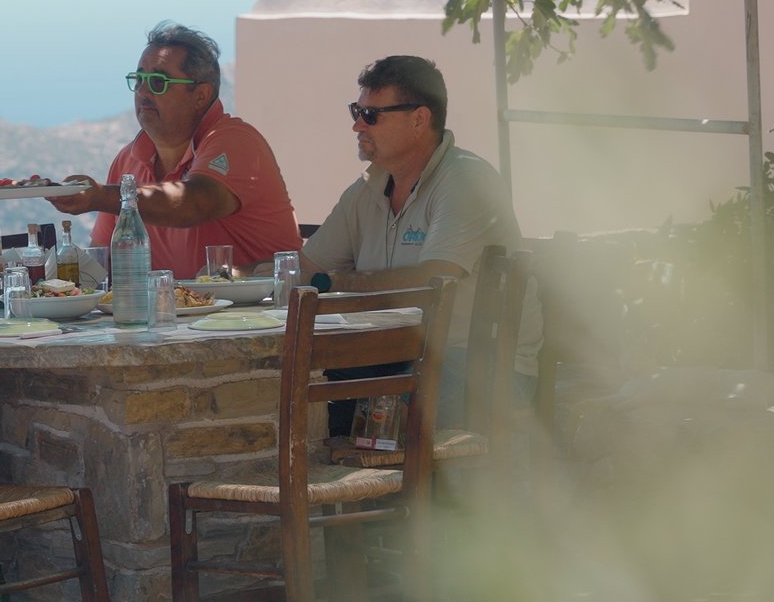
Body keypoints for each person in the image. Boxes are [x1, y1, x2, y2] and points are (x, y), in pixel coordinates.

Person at [301, 55, 541, 435]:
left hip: (475, 365)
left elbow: (432, 282)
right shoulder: (368, 188)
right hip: (396, 355)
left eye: (371, 115)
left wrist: (340, 283)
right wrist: (235, 285)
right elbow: (307, 267)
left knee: (367, 421)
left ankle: (378, 473)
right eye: (356, 111)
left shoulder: (465, 180)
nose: (357, 125)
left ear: (419, 120)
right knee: (295, 396)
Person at [49, 22, 302, 276]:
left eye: (158, 82)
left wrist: (101, 196)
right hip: (171, 302)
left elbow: (192, 205)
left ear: (200, 95)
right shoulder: (127, 160)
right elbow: (100, 263)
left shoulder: (236, 142)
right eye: (139, 79)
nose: (143, 91)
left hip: (261, 302)